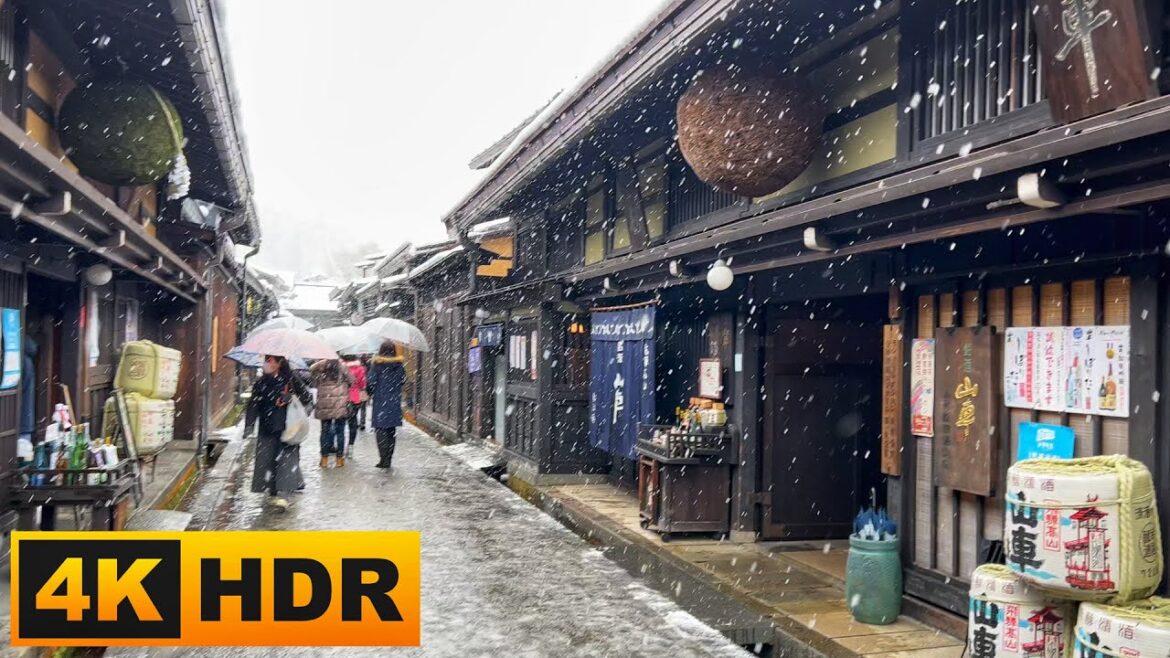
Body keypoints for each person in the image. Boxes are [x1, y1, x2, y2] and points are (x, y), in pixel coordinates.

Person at [245, 355, 312, 510]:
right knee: (268, 461)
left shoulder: (290, 380)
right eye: (265, 361)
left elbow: (307, 399)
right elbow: (253, 404)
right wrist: (249, 424)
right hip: (267, 428)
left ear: (279, 363)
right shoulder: (261, 382)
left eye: (270, 361)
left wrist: (291, 398)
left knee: (285, 462)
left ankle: (283, 495)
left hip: (287, 428)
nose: (266, 364)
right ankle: (274, 492)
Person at [366, 340, 405, 469]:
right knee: (391, 431)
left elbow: (371, 382)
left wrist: (370, 391)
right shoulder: (399, 365)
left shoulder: (376, 365)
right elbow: (403, 380)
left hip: (380, 400)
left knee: (380, 430)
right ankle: (389, 458)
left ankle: (383, 459)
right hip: (394, 400)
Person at [309, 358, 352, 468]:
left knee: (325, 431)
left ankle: (324, 459)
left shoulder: (319, 368)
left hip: (325, 404)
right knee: (340, 431)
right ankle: (339, 459)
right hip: (340, 404)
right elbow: (352, 380)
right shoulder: (342, 367)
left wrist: (319, 363)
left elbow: (312, 380)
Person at [342, 354, 367, 455]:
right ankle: (351, 446)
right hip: (355, 398)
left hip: (342, 397)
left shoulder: (341, 367)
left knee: (340, 423)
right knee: (353, 423)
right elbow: (362, 384)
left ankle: (339, 445)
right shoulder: (360, 368)